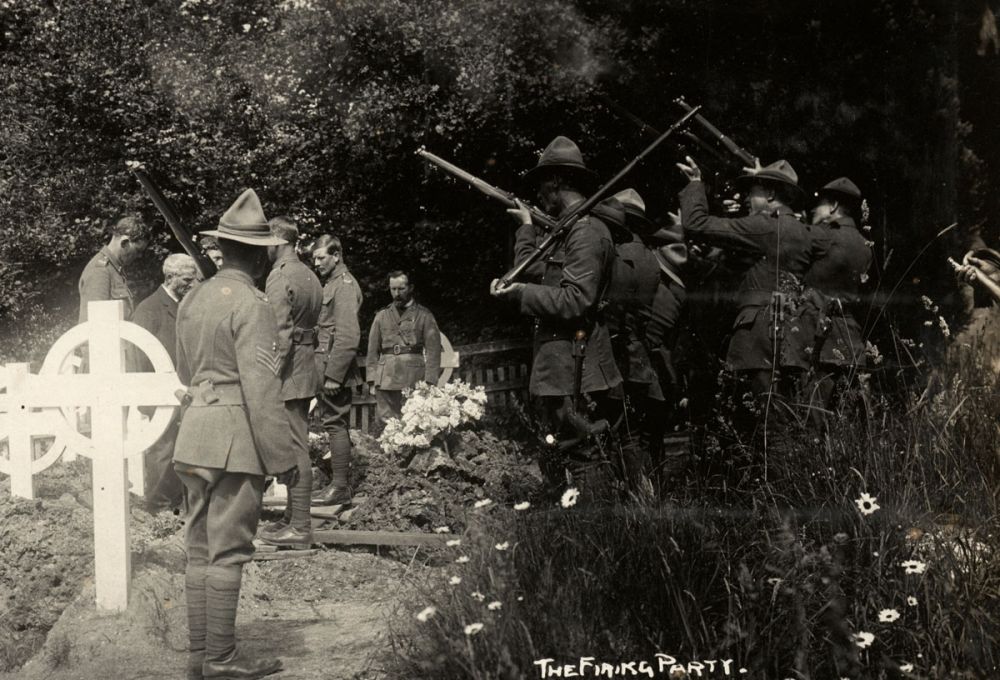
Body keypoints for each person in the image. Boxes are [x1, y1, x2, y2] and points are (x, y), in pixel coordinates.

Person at [173, 189, 299, 680]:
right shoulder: (254, 303)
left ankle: (198, 655)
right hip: (235, 438)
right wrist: (282, 457)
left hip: (195, 433)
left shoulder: (192, 298)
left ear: (223, 248)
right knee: (228, 549)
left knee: (200, 548)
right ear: (262, 253)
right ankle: (222, 661)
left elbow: (186, 373)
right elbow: (262, 390)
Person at [676, 156, 828, 457]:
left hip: (760, 340)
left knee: (766, 429)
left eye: (754, 191)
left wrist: (695, 185)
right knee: (786, 419)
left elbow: (696, 224)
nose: (747, 198)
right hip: (795, 340)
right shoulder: (804, 233)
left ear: (771, 195)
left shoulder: (764, 228)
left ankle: (774, 499)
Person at [491, 135, 622, 443]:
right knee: (570, 455)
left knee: (583, 457)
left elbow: (576, 299)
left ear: (555, 182)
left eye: (541, 183)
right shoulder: (566, 232)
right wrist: (526, 227)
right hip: (564, 369)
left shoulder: (586, 233)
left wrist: (519, 292)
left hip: (578, 369)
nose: (538, 192)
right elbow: (533, 271)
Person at [258, 217, 323, 549]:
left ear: (276, 241)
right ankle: (291, 517)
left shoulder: (279, 276)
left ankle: (300, 527)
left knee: (296, 447)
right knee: (295, 443)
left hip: (288, 369)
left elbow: (281, 337)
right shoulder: (309, 274)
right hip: (305, 363)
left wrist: (267, 376)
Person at [800, 177, 874, 418]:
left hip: (819, 338)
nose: (813, 209)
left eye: (819, 204)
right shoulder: (865, 244)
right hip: (850, 338)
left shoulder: (824, 236)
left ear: (833, 206)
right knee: (847, 418)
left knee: (814, 418)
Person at [131, 253, 199, 513]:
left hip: (185, 395)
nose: (192, 285)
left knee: (183, 454)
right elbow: (140, 359)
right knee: (162, 453)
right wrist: (150, 401)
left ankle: (178, 507)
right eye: (186, 279)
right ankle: (157, 510)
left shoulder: (184, 305)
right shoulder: (148, 310)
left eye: (193, 279)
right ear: (170, 278)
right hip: (160, 398)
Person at [310, 234, 363, 506]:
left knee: (335, 424)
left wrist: (334, 374)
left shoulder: (343, 285)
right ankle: (337, 484)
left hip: (333, 368)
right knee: (331, 423)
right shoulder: (331, 283)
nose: (316, 262)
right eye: (314, 258)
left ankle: (341, 486)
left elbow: (348, 335)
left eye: (321, 257)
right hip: (324, 363)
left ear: (336, 255)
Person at [365, 271, 442, 428]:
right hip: (385, 378)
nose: (396, 294)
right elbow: (372, 351)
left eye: (401, 289)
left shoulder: (424, 315)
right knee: (387, 426)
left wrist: (430, 381)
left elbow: (433, 351)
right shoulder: (381, 316)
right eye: (393, 289)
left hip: (414, 378)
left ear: (411, 288)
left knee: (415, 424)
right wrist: (372, 380)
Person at [78, 215, 150, 322]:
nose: (139, 256)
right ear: (124, 243)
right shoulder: (100, 271)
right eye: (138, 250)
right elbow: (95, 322)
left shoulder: (115, 269)